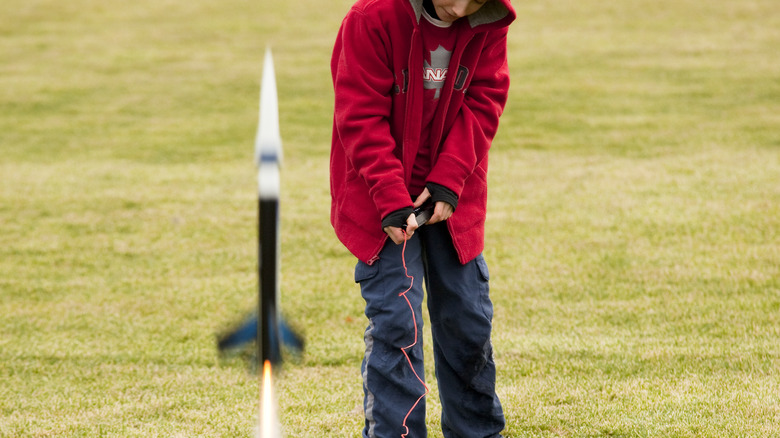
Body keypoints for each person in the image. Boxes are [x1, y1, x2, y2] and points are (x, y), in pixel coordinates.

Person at [330, 0, 515, 436]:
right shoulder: (371, 19)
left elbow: (486, 100)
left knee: (468, 320)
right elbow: (360, 116)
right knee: (398, 324)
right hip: (381, 196)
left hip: (452, 194)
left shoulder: (489, 22)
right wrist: (391, 196)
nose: (465, 8)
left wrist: (450, 180)